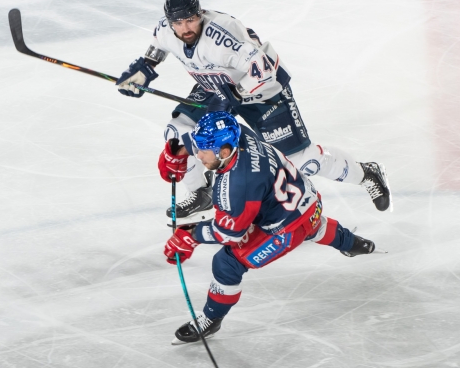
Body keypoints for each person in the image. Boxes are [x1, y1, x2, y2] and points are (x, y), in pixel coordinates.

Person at [115, 0, 392, 223]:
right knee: (178, 133)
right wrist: (144, 69)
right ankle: (201, 193)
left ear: (199, 14)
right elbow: (158, 46)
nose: (185, 28)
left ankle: (367, 173)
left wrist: (233, 97)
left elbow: (263, 68)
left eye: (190, 19)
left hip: (262, 91)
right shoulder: (166, 29)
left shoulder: (222, 35)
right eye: (178, 22)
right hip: (216, 85)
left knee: (300, 162)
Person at [159, 111, 378, 344]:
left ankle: (211, 319)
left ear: (224, 152)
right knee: (315, 226)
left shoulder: (238, 185)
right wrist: (180, 151)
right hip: (309, 201)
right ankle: (352, 244)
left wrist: (190, 235)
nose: (198, 156)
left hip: (286, 229)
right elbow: (207, 137)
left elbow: (229, 233)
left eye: (203, 151)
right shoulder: (239, 133)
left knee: (227, 263)